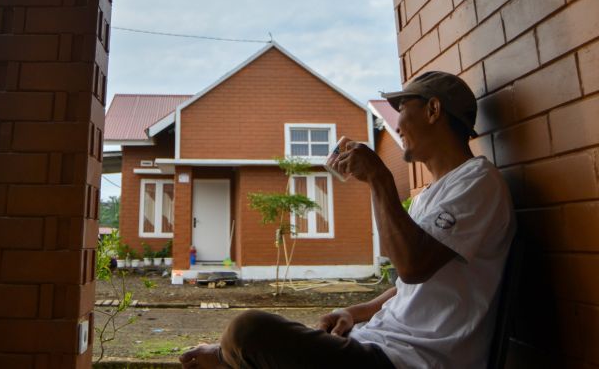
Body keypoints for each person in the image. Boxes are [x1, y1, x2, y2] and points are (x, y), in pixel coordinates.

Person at [179, 71, 516, 369]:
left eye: (402, 109)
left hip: (415, 359)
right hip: (380, 342)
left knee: (247, 331)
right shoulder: (431, 194)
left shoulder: (477, 182)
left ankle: (224, 359)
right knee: (259, 342)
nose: (396, 123)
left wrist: (379, 178)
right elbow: (408, 286)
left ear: (433, 110)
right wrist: (355, 312)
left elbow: (413, 266)